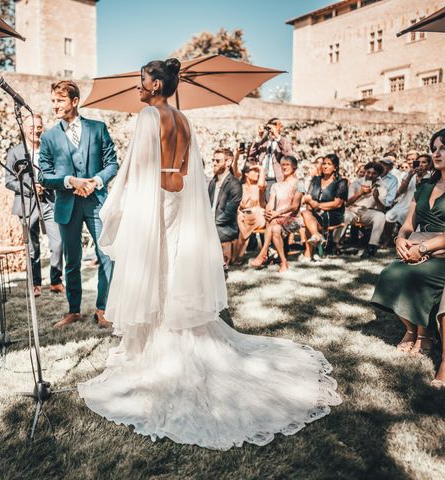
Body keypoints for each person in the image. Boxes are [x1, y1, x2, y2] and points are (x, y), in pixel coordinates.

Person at [78, 58, 341, 451]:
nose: (137, 86)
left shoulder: (149, 116)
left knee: (155, 270)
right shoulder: (184, 121)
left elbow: (135, 167)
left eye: (141, 80)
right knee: (170, 268)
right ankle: (169, 330)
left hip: (154, 201)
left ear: (155, 84)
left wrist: (115, 204)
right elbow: (185, 170)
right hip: (175, 199)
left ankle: (158, 346)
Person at [38, 80, 118, 328]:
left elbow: (112, 164)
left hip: (96, 203)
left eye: (60, 101)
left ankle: (103, 309)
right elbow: (43, 176)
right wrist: (69, 181)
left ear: (74, 101)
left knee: (107, 256)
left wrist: (96, 180)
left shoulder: (98, 128)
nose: (55, 106)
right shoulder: (49, 137)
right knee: (72, 260)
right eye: (53, 101)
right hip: (67, 205)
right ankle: (73, 310)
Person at [371, 128, 445, 389]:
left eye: (443, 148)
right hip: (417, 242)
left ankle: (424, 335)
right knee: (391, 274)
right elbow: (408, 223)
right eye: (434, 148)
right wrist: (400, 239)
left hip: (441, 251)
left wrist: (424, 250)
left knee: (418, 274)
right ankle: (411, 330)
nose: (437, 153)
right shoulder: (424, 185)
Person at [5, 113, 64, 298]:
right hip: (27, 204)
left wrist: (48, 184)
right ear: (24, 128)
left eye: (38, 126)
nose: (36, 130)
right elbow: (8, 181)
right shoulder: (14, 152)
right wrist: (31, 188)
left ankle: (56, 281)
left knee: (58, 243)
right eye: (31, 127)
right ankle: (36, 284)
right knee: (32, 247)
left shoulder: (50, 149)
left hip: (49, 202)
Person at [249, 156, 303, 273]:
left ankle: (262, 254)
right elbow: (268, 206)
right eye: (282, 165)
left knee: (273, 223)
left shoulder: (299, 183)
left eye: (287, 164)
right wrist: (262, 195)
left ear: (294, 167)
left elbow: (294, 207)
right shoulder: (276, 186)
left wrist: (277, 213)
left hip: (293, 220)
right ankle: (284, 262)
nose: (284, 167)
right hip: (276, 221)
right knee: (275, 228)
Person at [300, 154, 348, 260]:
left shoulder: (341, 182)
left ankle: (308, 253)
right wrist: (310, 204)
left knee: (307, 218)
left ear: (335, 167)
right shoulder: (316, 180)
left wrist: (318, 205)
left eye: (329, 164)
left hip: (333, 214)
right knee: (305, 213)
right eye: (324, 164)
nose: (325, 166)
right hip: (315, 212)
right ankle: (317, 236)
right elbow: (309, 197)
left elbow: (338, 203)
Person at [336, 162, 388, 258]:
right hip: (352, 210)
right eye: (368, 172)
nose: (370, 175)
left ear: (378, 175)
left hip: (368, 211)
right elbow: (347, 203)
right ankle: (335, 244)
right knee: (345, 216)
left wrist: (376, 198)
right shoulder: (357, 183)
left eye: (374, 173)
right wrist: (359, 193)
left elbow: (382, 209)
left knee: (380, 216)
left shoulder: (382, 186)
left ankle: (372, 247)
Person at [208, 149, 243, 271]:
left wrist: (210, 224)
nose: (214, 163)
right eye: (213, 160)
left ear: (228, 162)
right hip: (211, 223)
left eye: (217, 160)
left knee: (206, 235)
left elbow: (229, 212)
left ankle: (219, 267)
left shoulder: (234, 184)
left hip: (226, 227)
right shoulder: (212, 182)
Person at [248, 117, 295, 202]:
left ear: (280, 128)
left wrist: (277, 136)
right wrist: (259, 136)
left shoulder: (284, 142)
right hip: (261, 179)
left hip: (277, 180)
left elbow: (290, 156)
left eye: (276, 126)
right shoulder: (263, 142)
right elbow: (251, 156)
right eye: (270, 128)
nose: (271, 130)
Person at [231, 164, 266, 265]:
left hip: (259, 215)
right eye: (254, 171)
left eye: (258, 171)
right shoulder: (240, 187)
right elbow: (238, 206)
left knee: (251, 215)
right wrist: (240, 210)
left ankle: (236, 257)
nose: (257, 173)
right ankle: (236, 257)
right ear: (246, 173)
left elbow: (261, 185)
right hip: (245, 216)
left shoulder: (260, 186)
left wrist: (261, 168)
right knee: (241, 217)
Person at [386, 154, 432, 226]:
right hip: (404, 203)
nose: (420, 164)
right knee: (389, 215)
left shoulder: (430, 177)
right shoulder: (410, 174)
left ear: (429, 165)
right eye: (418, 162)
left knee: (402, 215)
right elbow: (401, 190)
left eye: (424, 162)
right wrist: (410, 176)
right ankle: (389, 236)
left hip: (418, 205)